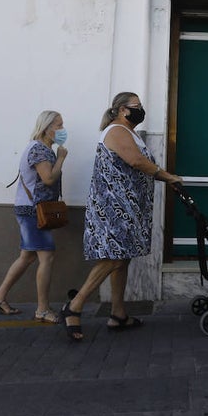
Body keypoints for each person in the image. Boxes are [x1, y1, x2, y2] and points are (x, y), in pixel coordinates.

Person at [59, 92, 182, 342]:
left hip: (126, 207)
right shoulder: (116, 131)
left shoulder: (129, 132)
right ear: (122, 110)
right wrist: (168, 177)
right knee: (113, 259)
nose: (141, 110)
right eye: (136, 106)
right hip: (113, 208)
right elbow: (136, 161)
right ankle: (74, 306)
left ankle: (118, 314)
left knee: (122, 259)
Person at [0, 110, 68, 322]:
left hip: (33, 209)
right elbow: (49, 178)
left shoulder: (42, 148)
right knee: (47, 257)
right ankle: (42, 309)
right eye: (58, 125)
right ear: (46, 127)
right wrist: (61, 158)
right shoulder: (39, 150)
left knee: (27, 256)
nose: (62, 130)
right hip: (33, 211)